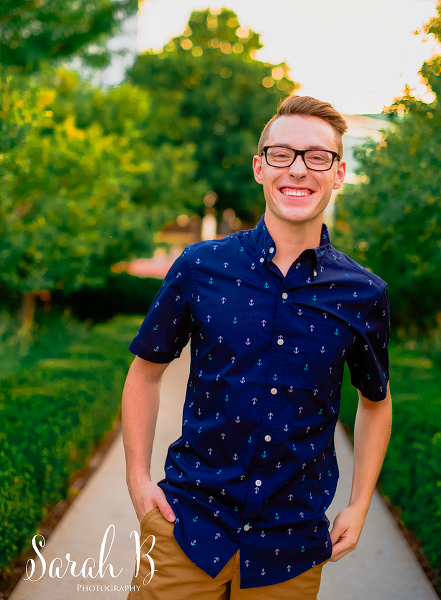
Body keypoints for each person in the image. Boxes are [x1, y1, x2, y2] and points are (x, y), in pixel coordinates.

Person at [122, 95, 392, 600]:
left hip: (291, 546)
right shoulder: (199, 266)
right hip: (186, 527)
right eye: (281, 154)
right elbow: (145, 372)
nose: (298, 169)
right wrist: (138, 479)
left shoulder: (364, 293)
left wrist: (359, 505)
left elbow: (376, 403)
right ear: (259, 167)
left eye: (317, 157)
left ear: (339, 173)